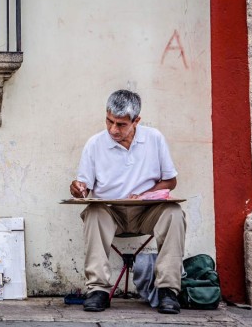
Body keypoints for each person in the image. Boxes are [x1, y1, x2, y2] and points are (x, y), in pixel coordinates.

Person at [70, 89, 186, 314]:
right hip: (111, 213)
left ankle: (168, 291)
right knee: (94, 212)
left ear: (137, 121)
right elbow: (82, 188)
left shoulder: (154, 139)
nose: (113, 129)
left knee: (174, 212)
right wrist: (78, 189)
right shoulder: (94, 144)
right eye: (109, 121)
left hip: (147, 211)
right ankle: (98, 290)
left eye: (121, 124)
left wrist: (144, 195)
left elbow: (170, 182)